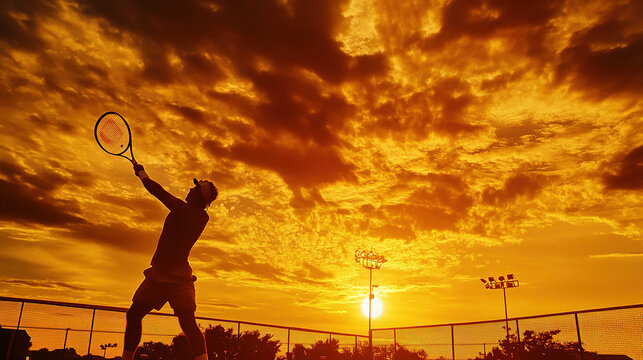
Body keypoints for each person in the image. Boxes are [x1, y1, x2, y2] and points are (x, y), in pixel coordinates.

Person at [122, 161, 218, 360]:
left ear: (200, 195)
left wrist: (141, 173)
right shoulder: (198, 215)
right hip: (159, 274)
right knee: (134, 315)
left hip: (178, 279)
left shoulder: (191, 213)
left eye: (195, 188)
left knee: (188, 324)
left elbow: (157, 190)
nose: (190, 189)